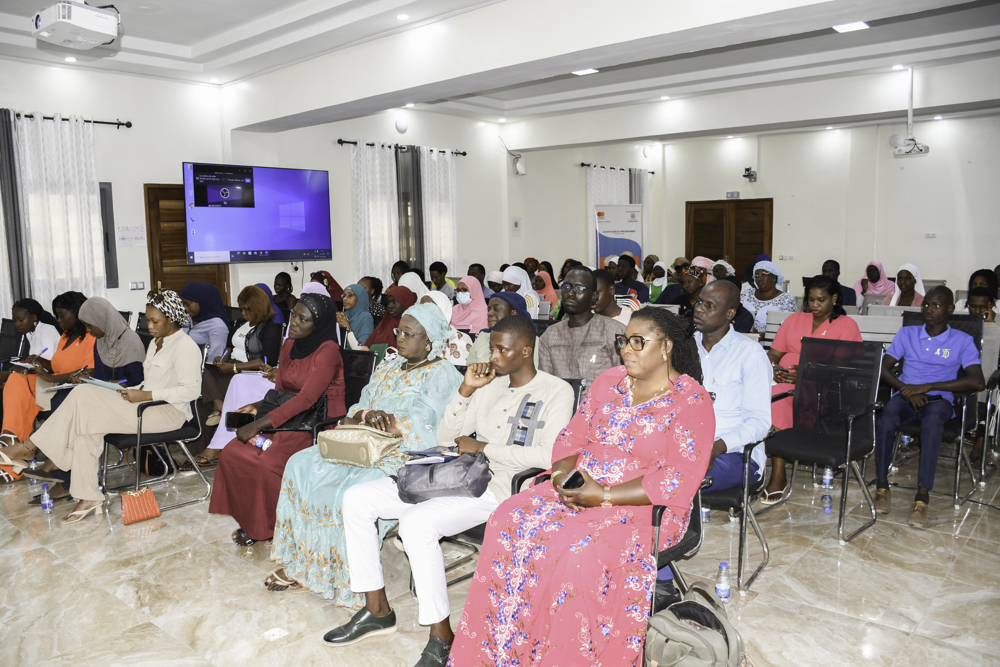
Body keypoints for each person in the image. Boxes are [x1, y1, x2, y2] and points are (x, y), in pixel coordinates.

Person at [450, 308, 714, 666]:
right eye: (624, 341)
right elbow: (572, 437)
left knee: (575, 554)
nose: (627, 350)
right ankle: (503, 649)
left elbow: (678, 478)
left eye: (639, 342)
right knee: (507, 517)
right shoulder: (609, 381)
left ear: (666, 347)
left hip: (644, 507)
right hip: (578, 486)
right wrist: (562, 478)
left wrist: (602, 496)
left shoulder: (691, 401)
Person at [330, 315, 574, 663]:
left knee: (417, 523)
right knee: (357, 498)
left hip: (501, 489)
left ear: (525, 351)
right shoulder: (489, 384)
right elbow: (446, 438)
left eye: (501, 350)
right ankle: (377, 609)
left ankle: (441, 635)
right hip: (457, 474)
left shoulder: (555, 390)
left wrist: (484, 448)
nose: (492, 357)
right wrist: (465, 390)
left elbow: (548, 455)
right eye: (492, 348)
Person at [266, 303, 462, 606]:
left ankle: (344, 573)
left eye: (410, 334)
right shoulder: (389, 364)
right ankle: (304, 561)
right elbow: (359, 406)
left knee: (349, 489)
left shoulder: (442, 373)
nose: (400, 338)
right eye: (399, 331)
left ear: (429, 341)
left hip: (404, 452)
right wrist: (369, 414)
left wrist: (390, 423)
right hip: (362, 440)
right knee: (299, 464)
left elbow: (430, 427)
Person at [0, 290, 201, 523]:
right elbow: (152, 380)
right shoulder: (157, 343)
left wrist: (146, 394)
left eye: (154, 321)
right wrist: (123, 387)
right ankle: (89, 496)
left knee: (83, 399)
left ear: (172, 319)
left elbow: (191, 391)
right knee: (86, 421)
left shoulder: (185, 347)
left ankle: (30, 447)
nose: (150, 326)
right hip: (145, 403)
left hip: (167, 412)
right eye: (148, 320)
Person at [209, 293, 347, 545]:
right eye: (294, 314)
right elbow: (281, 391)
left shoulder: (328, 351)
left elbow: (306, 400)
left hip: (316, 425)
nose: (293, 322)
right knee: (232, 453)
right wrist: (256, 407)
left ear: (318, 325)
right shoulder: (289, 345)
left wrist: (258, 425)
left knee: (267, 462)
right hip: (286, 418)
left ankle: (277, 527)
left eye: (303, 320)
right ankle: (254, 522)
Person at [873, 286, 984, 528]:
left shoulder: (963, 341)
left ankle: (922, 499)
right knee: (887, 417)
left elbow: (977, 380)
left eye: (936, 306)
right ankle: (882, 487)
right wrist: (907, 390)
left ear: (950, 309)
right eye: (926, 305)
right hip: (906, 396)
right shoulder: (907, 333)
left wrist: (928, 386)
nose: (929, 310)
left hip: (939, 400)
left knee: (932, 424)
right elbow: (882, 368)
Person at [760, 275, 863, 502]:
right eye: (811, 300)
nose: (815, 305)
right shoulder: (795, 319)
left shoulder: (846, 325)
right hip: (782, 381)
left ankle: (778, 473)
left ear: (834, 298)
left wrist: (804, 376)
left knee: (777, 399)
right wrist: (776, 368)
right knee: (759, 394)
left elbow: (840, 368)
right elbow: (774, 353)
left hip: (821, 390)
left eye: (821, 300)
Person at [692, 280, 770, 494]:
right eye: (699, 302)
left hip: (736, 455)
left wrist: (716, 447)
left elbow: (760, 422)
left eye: (710, 305)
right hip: (687, 448)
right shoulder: (683, 347)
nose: (699, 308)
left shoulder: (750, 354)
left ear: (729, 314)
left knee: (676, 479)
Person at [196, 285, 283, 459]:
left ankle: (216, 443)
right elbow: (230, 347)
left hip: (248, 371)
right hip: (231, 366)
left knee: (202, 401)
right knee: (201, 371)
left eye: (246, 309)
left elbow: (268, 362)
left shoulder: (271, 327)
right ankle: (218, 406)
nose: (242, 313)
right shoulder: (240, 323)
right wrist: (223, 359)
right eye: (241, 309)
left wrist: (234, 368)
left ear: (257, 306)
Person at [2, 293, 95, 444]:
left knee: (20, 391)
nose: (58, 321)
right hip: (54, 383)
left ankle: (18, 441)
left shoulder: (91, 337)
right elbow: (57, 365)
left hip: (70, 388)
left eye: (61, 316)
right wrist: (41, 361)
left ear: (78, 313)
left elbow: (88, 373)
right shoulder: (66, 335)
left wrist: (50, 377)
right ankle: (11, 436)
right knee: (16, 380)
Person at [539, 266, 625, 389]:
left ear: (594, 296)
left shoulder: (613, 331)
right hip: (561, 405)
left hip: (602, 405)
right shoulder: (549, 335)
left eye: (579, 289)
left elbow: (623, 383)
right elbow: (546, 385)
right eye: (566, 287)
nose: (570, 293)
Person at [77, 297, 146, 386]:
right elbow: (100, 375)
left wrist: (98, 384)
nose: (87, 330)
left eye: (89, 325)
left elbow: (135, 381)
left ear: (101, 319)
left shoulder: (131, 342)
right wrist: (85, 377)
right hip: (100, 392)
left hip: (124, 395)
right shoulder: (101, 341)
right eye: (85, 325)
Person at [466, 291, 539, 366]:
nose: (489, 313)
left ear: (513, 313)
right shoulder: (483, 336)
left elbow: (534, 373)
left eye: (496, 309)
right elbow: (469, 368)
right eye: (489, 309)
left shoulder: (532, 341)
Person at [740, 260, 798, 333]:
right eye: (756, 276)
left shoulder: (787, 299)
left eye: (763, 274)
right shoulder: (747, 294)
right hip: (744, 339)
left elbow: (789, 328)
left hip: (772, 342)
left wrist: (762, 336)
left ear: (774, 277)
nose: (759, 279)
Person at [179, 281, 230, 361]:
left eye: (188, 304)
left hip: (203, 370)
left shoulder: (217, 325)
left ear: (202, 301)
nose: (185, 308)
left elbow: (214, 358)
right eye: (183, 304)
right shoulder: (186, 319)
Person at [422, 291, 473, 365]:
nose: (424, 312)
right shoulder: (415, 336)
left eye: (430, 308)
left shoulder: (461, 339)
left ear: (443, 309)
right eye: (421, 308)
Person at [338, 283, 376, 349]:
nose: (345, 299)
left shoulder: (366, 317)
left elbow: (361, 348)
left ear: (360, 297)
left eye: (350, 295)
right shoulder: (341, 316)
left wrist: (346, 326)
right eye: (344, 295)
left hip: (355, 358)